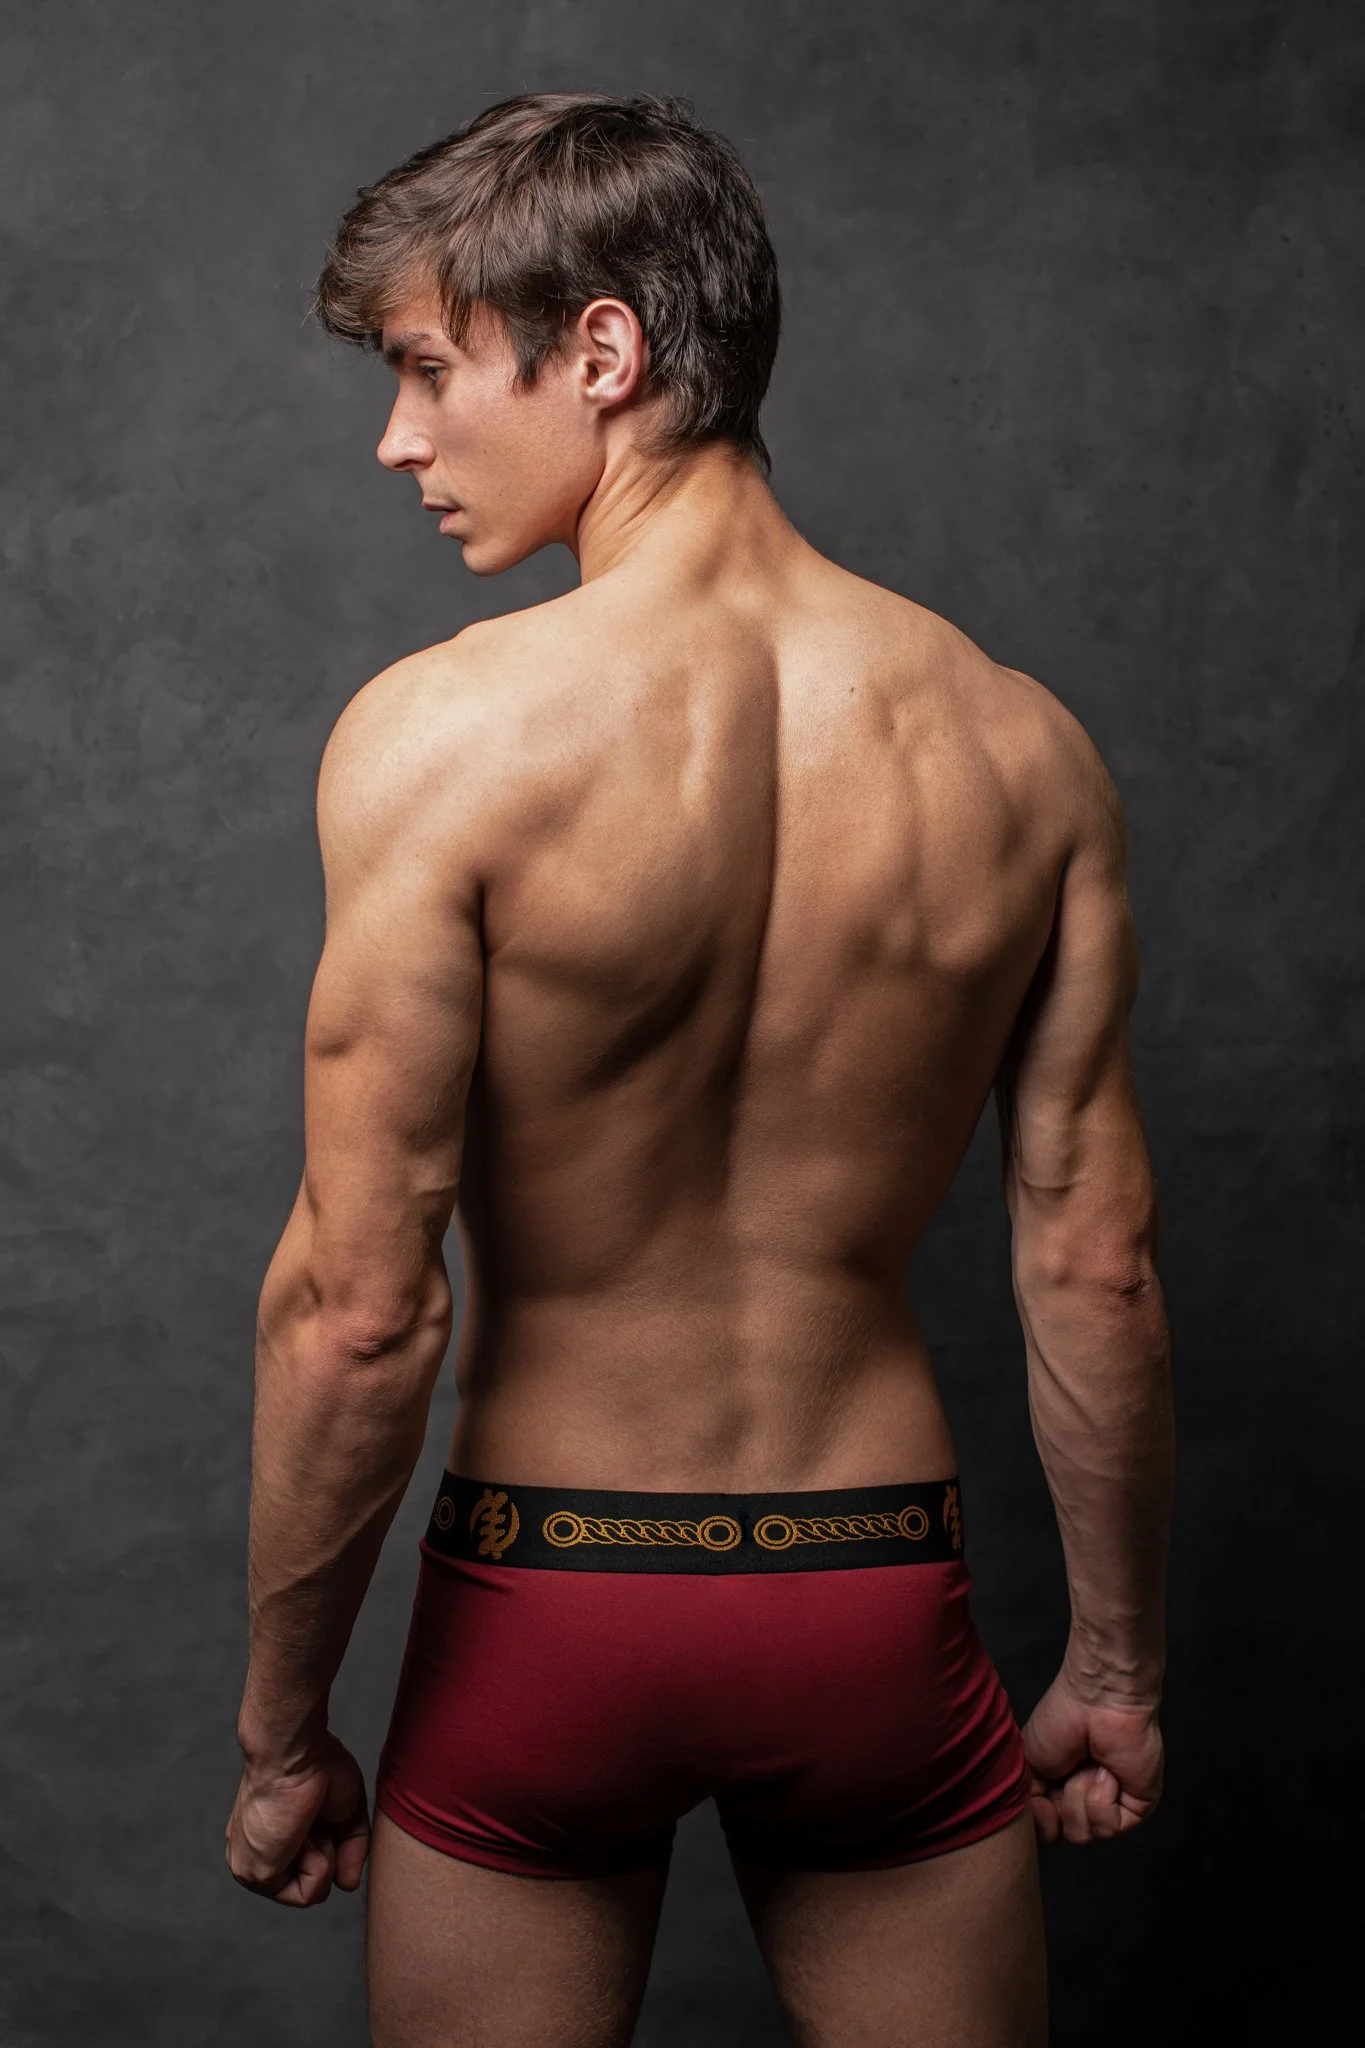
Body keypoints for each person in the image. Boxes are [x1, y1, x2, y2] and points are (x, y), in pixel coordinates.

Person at [224, 91, 1173, 2048]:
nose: (397, 438)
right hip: (871, 1587)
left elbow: (357, 1310)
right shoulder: (1025, 753)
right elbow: (1092, 1267)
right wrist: (1113, 1668)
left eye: (426, 369)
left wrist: (281, 1728)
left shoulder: (445, 740)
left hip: (552, 1590)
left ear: (602, 351)